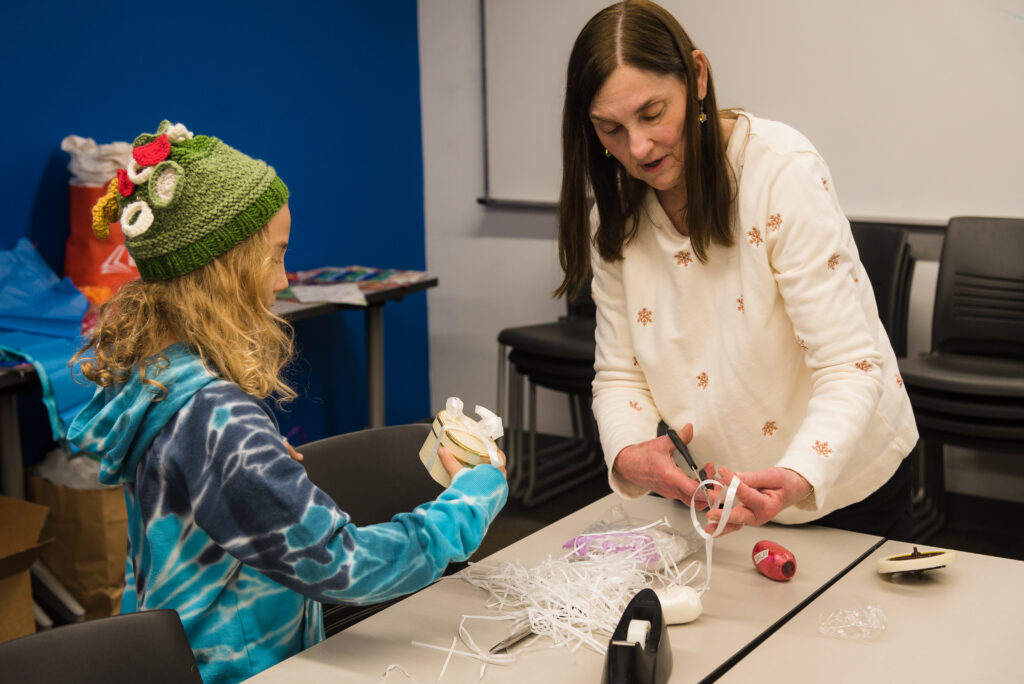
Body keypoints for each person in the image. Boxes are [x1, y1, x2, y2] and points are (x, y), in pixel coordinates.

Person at [69, 121, 508, 683]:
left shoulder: (160, 377)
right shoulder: (217, 421)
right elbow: (343, 566)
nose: (281, 279)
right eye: (275, 257)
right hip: (245, 667)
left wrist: (248, 471)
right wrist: (467, 507)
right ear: (225, 271)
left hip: (181, 654)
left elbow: (195, 489)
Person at [556, 0, 918, 539]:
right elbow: (620, 374)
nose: (637, 148)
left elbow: (849, 364)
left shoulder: (780, 172)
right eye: (610, 129)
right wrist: (629, 453)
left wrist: (798, 475)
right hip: (723, 497)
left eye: (653, 114)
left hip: (843, 482)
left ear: (697, 76)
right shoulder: (614, 217)